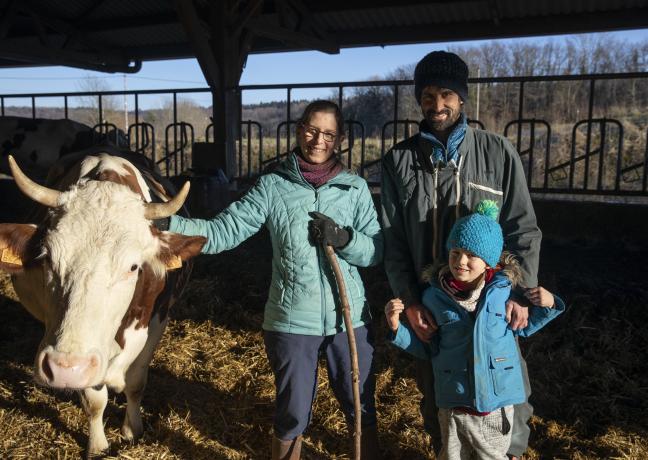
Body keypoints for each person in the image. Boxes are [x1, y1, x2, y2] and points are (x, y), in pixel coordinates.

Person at [164, 100, 383, 459]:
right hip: (292, 319)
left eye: (328, 133)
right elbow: (223, 231)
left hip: (350, 319)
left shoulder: (355, 188)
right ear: (299, 130)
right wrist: (170, 226)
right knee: (293, 412)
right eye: (312, 130)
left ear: (340, 139)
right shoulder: (272, 186)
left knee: (360, 402)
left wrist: (344, 239)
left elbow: (376, 252)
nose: (318, 140)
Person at [380, 50, 542, 459]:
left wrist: (520, 292)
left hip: (491, 304)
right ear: (419, 99)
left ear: (463, 98)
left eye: (447, 94)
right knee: (439, 395)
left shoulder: (497, 152)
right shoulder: (399, 161)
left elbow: (523, 229)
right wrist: (412, 301)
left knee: (511, 398)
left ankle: (508, 453)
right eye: (429, 95)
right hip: (436, 308)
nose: (437, 105)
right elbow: (393, 239)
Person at [385, 201, 564, 459]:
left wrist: (549, 304)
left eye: (471, 255)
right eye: (455, 252)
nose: (461, 261)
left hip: (495, 405)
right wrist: (396, 328)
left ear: (489, 261)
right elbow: (428, 347)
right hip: (454, 404)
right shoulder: (434, 297)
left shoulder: (504, 294)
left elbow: (525, 328)